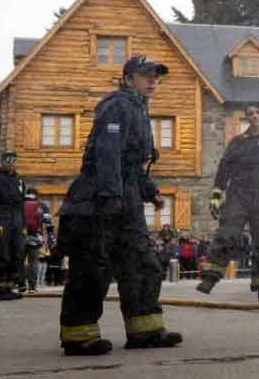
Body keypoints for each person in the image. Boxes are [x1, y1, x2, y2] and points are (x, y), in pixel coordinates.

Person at [56, 55, 181, 356]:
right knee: (92, 267)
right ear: (128, 79)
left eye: (156, 76)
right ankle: (78, 335)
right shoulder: (117, 105)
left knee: (142, 264)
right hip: (99, 198)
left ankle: (145, 330)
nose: (153, 80)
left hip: (126, 197)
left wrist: (149, 192)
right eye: (146, 75)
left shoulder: (138, 108)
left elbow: (131, 165)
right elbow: (107, 153)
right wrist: (112, 196)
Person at [197, 103, 259, 300]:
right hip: (238, 196)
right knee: (227, 234)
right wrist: (216, 196)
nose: (253, 116)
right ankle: (210, 276)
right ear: (246, 118)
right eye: (249, 114)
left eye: (257, 112)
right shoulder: (237, 142)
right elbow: (224, 170)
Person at [0, 150, 27, 301]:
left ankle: (7, 286)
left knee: (14, 253)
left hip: (15, 220)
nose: (11, 164)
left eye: (13, 161)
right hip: (1, 219)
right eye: (8, 161)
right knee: (0, 253)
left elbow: (21, 204)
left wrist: (23, 224)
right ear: (2, 162)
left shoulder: (18, 180)